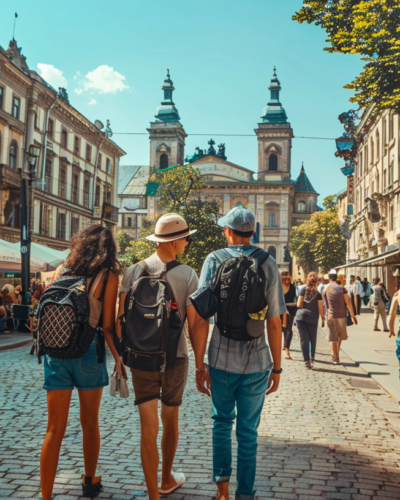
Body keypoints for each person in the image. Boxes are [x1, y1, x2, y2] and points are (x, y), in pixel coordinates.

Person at [196, 206, 285, 500]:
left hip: (220, 360)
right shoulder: (268, 262)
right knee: (248, 433)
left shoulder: (213, 259)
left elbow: (200, 317)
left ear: (228, 232)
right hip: (257, 361)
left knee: (222, 423)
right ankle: (244, 494)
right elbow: (274, 322)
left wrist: (200, 364)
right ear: (253, 233)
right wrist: (277, 367)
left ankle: (222, 492)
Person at [116, 213, 207, 500]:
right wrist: (200, 364)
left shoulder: (132, 271)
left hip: (140, 357)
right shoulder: (188, 274)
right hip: (174, 357)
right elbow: (195, 325)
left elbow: (121, 318)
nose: (188, 243)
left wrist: (122, 355)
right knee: (170, 419)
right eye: (186, 239)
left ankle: (153, 495)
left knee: (148, 427)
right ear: (175, 241)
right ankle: (166, 478)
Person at [40, 225, 121, 500]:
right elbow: (108, 325)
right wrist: (119, 358)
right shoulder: (108, 275)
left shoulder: (61, 269)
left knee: (54, 428)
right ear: (108, 249)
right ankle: (89, 480)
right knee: (89, 423)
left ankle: (46, 495)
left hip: (56, 352)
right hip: (89, 350)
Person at [322, 269, 357, 364]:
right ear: (336, 278)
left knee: (333, 337)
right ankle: (336, 352)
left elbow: (324, 304)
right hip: (342, 316)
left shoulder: (325, 289)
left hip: (331, 316)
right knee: (339, 336)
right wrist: (353, 316)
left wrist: (323, 316)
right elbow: (348, 302)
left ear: (329, 278)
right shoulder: (342, 289)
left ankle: (335, 357)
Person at [295, 272, 325, 369]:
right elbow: (321, 308)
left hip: (301, 317)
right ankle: (312, 358)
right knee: (312, 338)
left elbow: (299, 305)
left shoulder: (302, 290)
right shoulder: (318, 294)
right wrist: (323, 319)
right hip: (313, 318)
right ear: (316, 282)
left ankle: (306, 361)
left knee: (304, 339)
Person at [281, 271, 297, 360]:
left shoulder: (292, 287)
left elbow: (293, 298)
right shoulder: (278, 287)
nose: (286, 281)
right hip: (278, 310)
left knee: (288, 329)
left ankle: (287, 349)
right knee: (281, 328)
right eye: (284, 279)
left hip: (289, 311)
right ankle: (283, 345)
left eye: (288, 279)